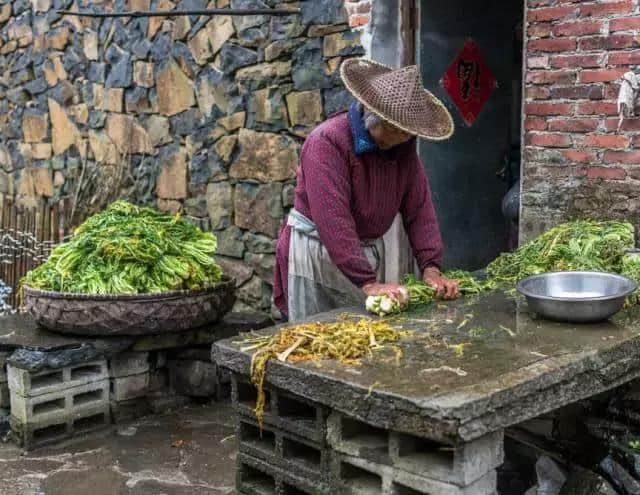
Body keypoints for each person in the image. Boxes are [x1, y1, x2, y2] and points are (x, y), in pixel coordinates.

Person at [273, 58, 460, 322]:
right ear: (378, 120)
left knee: (361, 341)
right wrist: (369, 283)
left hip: (361, 255)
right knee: (317, 342)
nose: (408, 139)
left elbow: (419, 209)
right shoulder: (327, 142)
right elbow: (333, 220)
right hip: (319, 253)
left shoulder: (403, 150)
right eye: (401, 132)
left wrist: (431, 267)